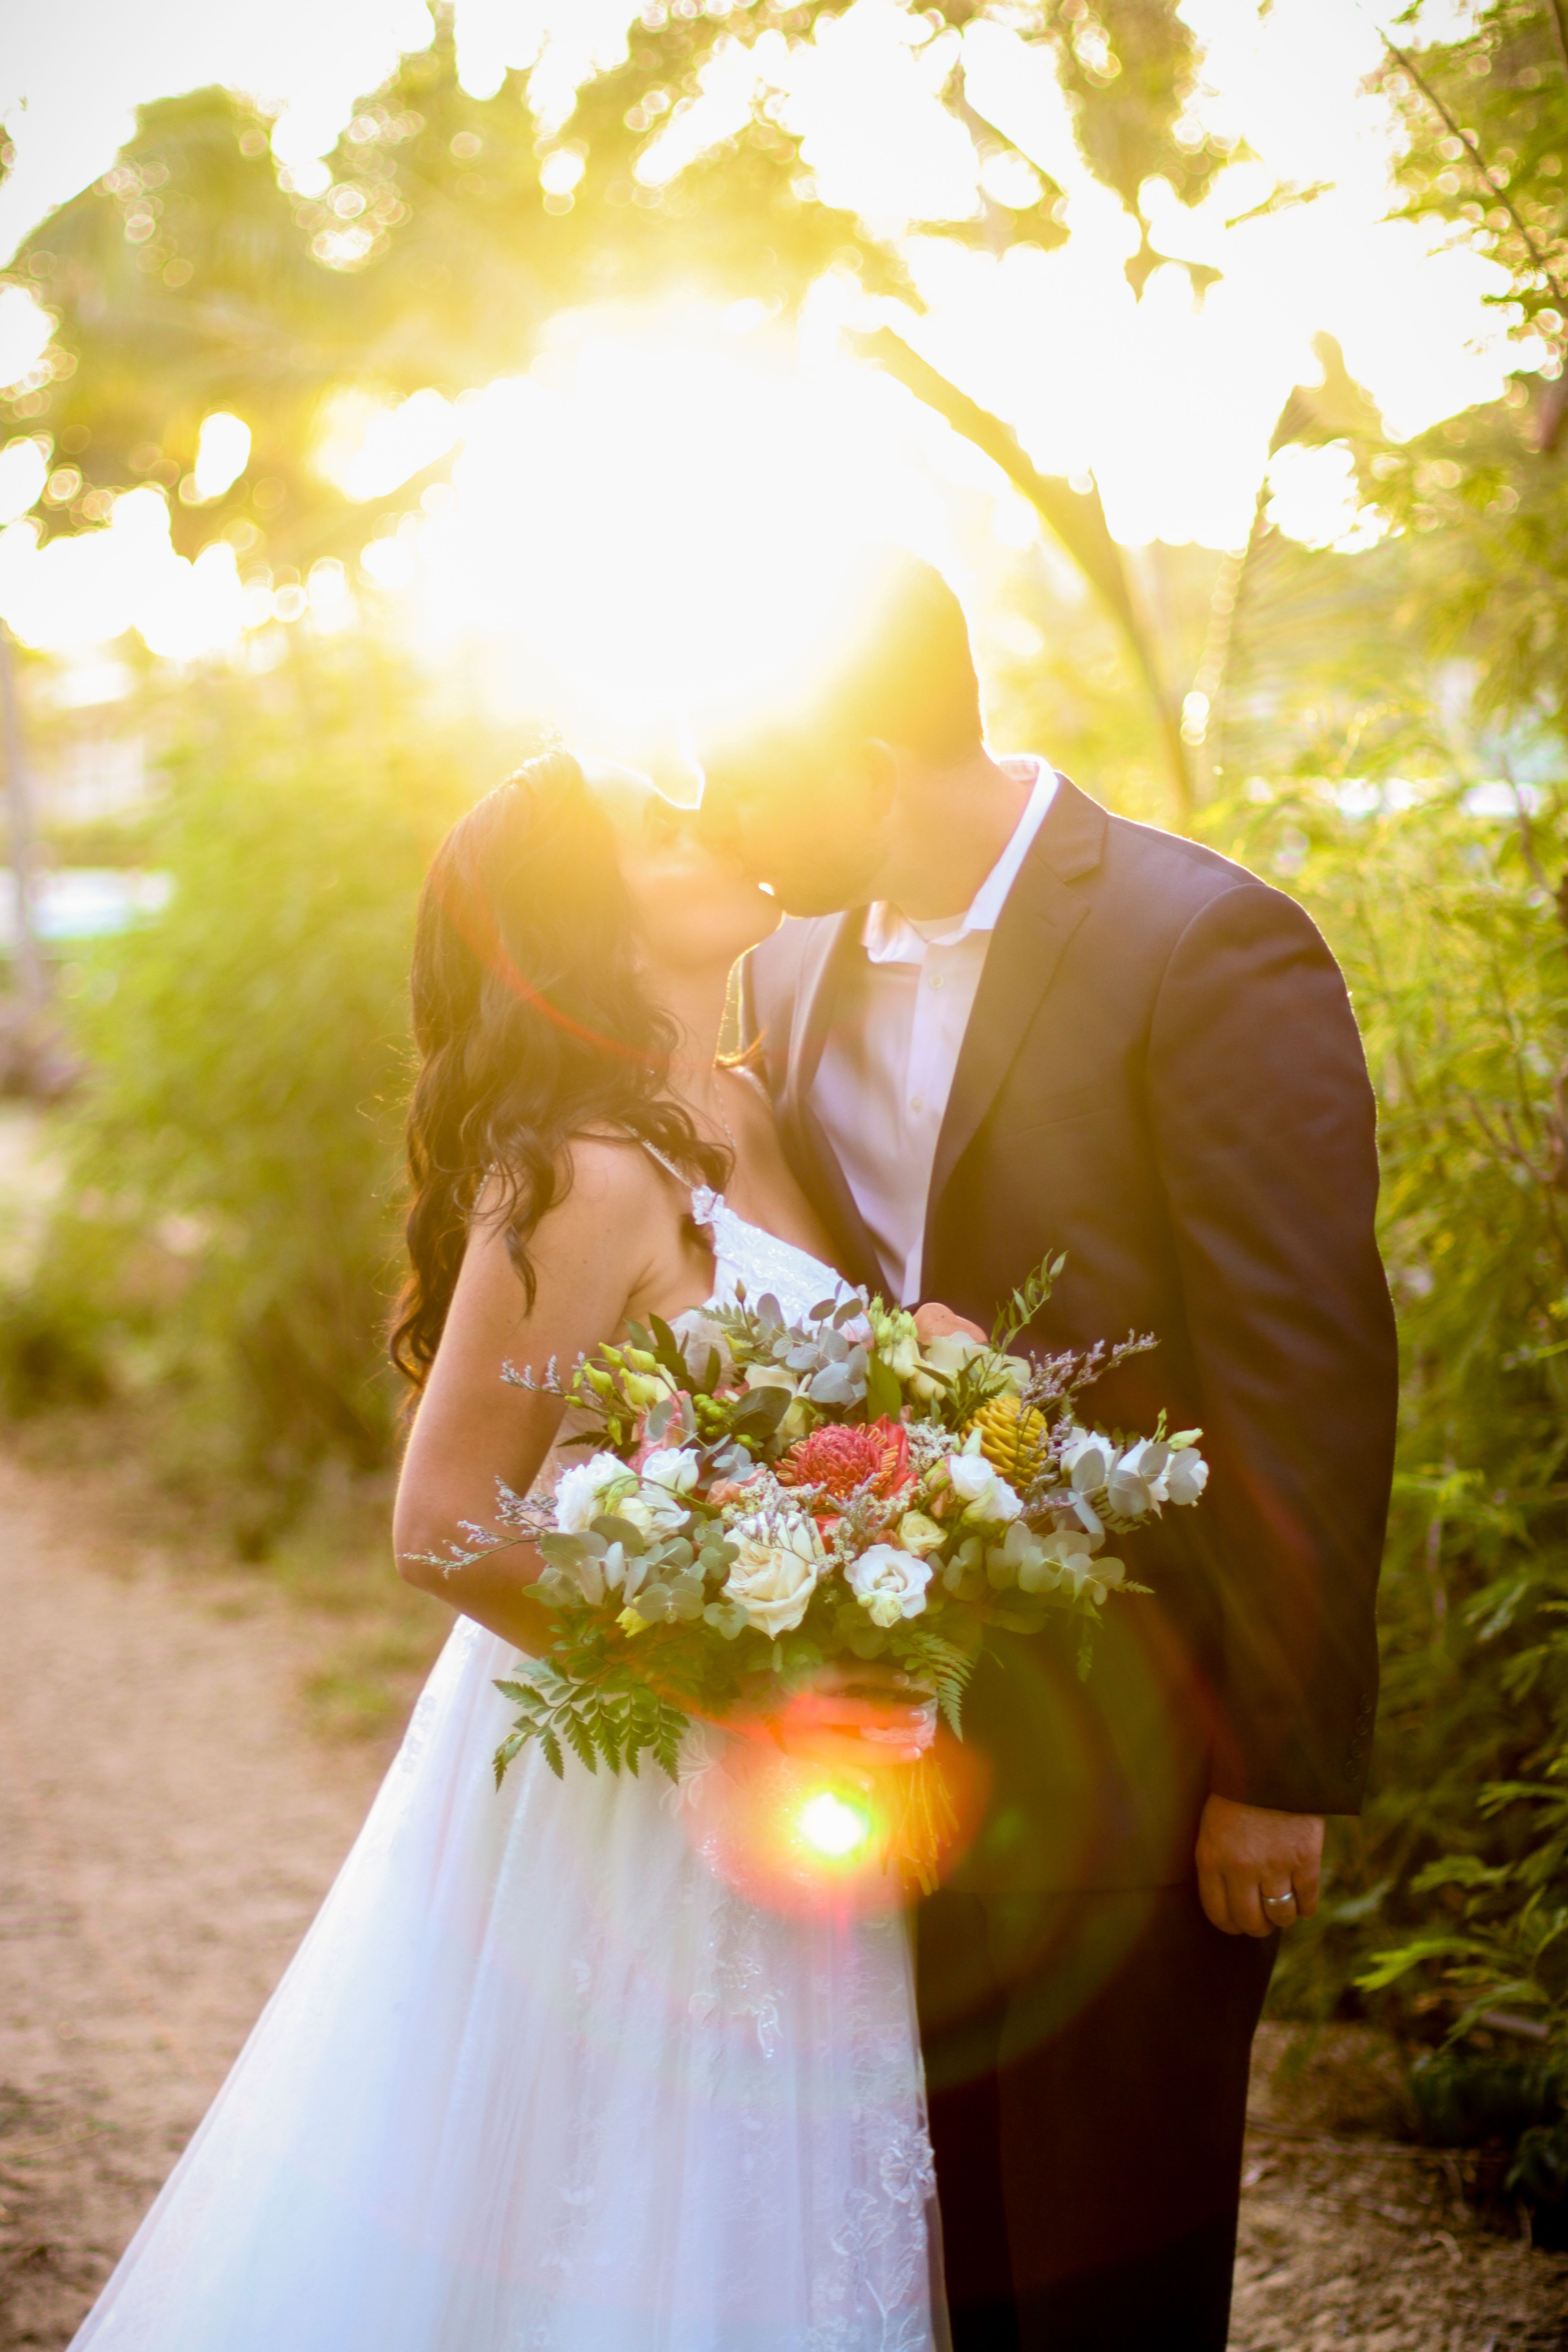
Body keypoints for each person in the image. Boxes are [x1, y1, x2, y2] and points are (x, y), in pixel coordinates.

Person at [67, 751, 950, 2352]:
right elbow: (444, 1518)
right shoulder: (587, 1174)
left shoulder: (748, 1101)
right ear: (582, 915)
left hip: (797, 1772)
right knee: (597, 2212)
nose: (719, 824)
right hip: (633, 1775)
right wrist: (743, 1689)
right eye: (660, 829)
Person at [697, 549, 1399, 2352]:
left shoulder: (1205, 945)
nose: (728, 826)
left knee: (1104, 2276)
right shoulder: (777, 967)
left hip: (1135, 1761)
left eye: (753, 779)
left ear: (867, 756)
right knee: (896, 2263)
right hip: (856, 1747)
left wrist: (1283, 1761)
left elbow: (1302, 1367)